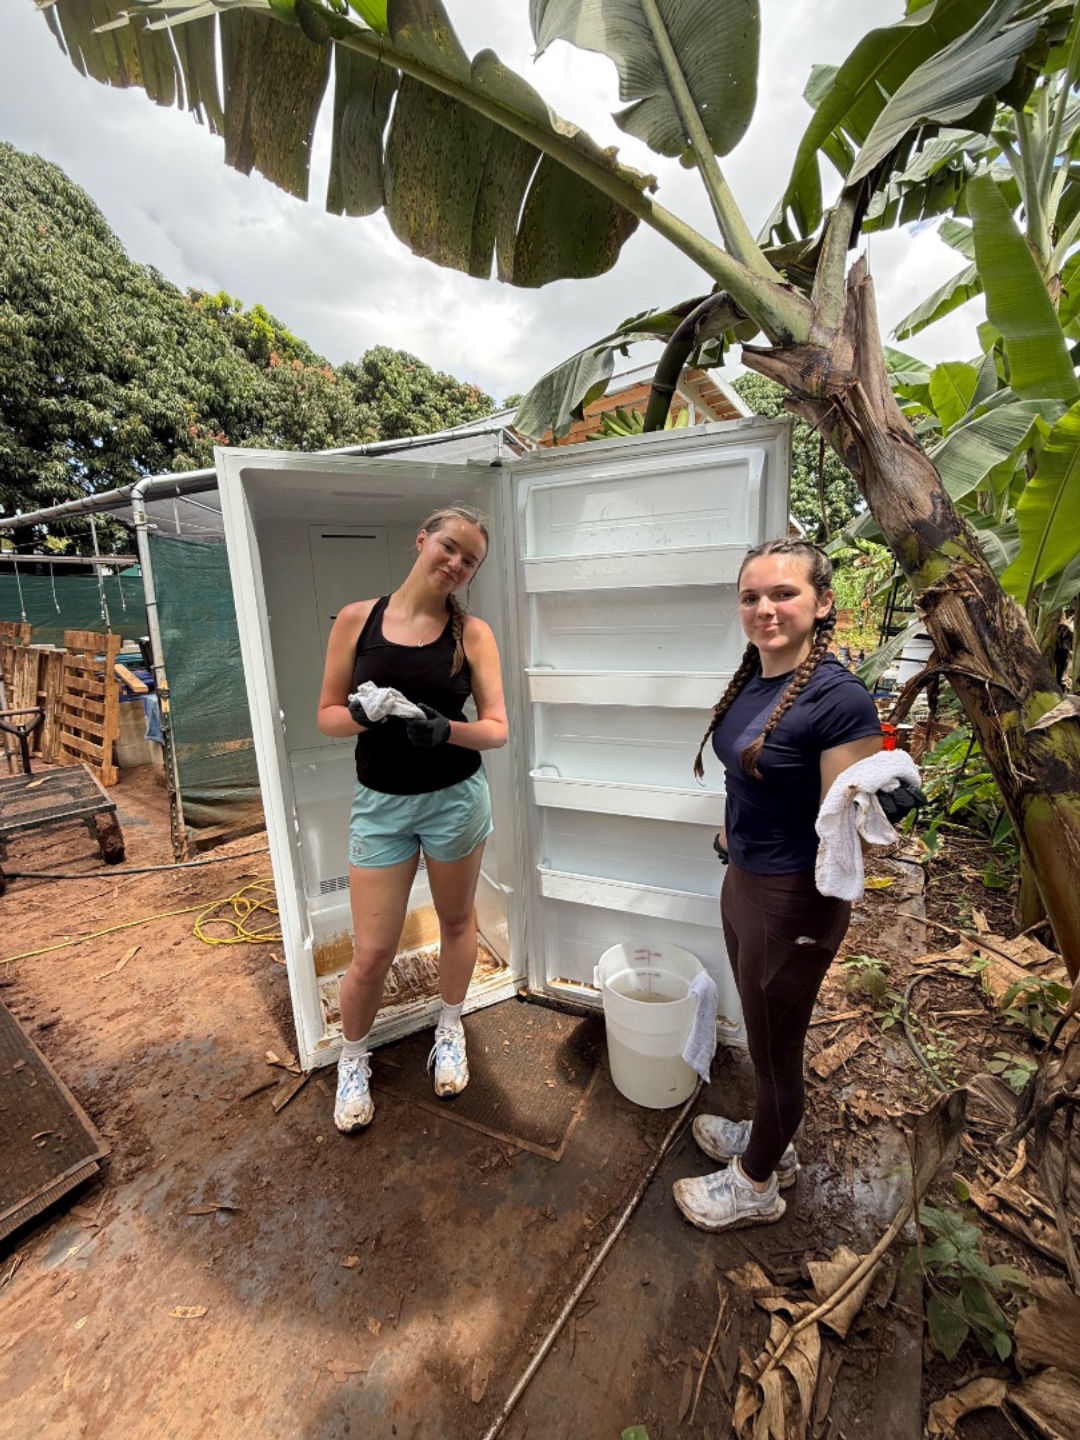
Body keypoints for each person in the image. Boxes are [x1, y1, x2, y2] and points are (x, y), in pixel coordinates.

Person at [672, 538, 882, 1232]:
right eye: (751, 596)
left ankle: (756, 1182)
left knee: (778, 1052)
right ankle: (771, 1137)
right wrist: (730, 841)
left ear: (822, 604)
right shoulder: (757, 679)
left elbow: (844, 824)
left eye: (783, 594)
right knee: (764, 1041)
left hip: (793, 898)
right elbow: (746, 778)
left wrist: (884, 799)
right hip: (745, 881)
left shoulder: (838, 698)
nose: (765, 608)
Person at [316, 505, 507, 1133]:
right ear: (421, 541)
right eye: (447, 547)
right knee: (371, 952)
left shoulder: (472, 634)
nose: (454, 564)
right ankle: (352, 1058)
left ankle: (449, 1025)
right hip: (381, 807)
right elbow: (327, 715)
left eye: (469, 560)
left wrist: (446, 730)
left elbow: (497, 730)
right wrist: (366, 717)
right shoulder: (355, 620)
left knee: (457, 922)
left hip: (454, 799)